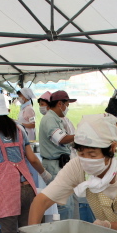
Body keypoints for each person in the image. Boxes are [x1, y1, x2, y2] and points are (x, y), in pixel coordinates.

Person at [0, 93, 51, 233]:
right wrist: (44, 174)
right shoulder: (19, 129)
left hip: (6, 191)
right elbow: (33, 159)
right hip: (27, 187)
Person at [39, 90, 78, 219]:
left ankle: (68, 230)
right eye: (67, 104)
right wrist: (82, 135)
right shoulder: (50, 119)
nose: (67, 108)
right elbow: (61, 139)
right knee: (63, 203)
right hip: (55, 164)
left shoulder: (57, 119)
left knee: (68, 201)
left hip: (61, 163)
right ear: (60, 104)